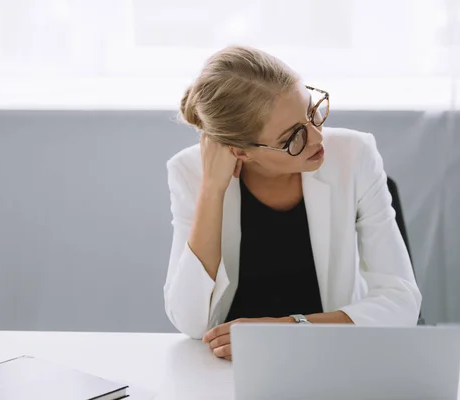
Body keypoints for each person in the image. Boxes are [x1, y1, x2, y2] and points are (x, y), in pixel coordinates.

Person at [164, 45, 422, 361]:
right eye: (292, 138)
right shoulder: (190, 173)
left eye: (313, 112)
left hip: (329, 358)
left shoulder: (354, 156)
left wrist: (287, 331)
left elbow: (402, 301)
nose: (316, 138)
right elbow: (191, 323)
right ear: (241, 152)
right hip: (230, 369)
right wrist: (212, 190)